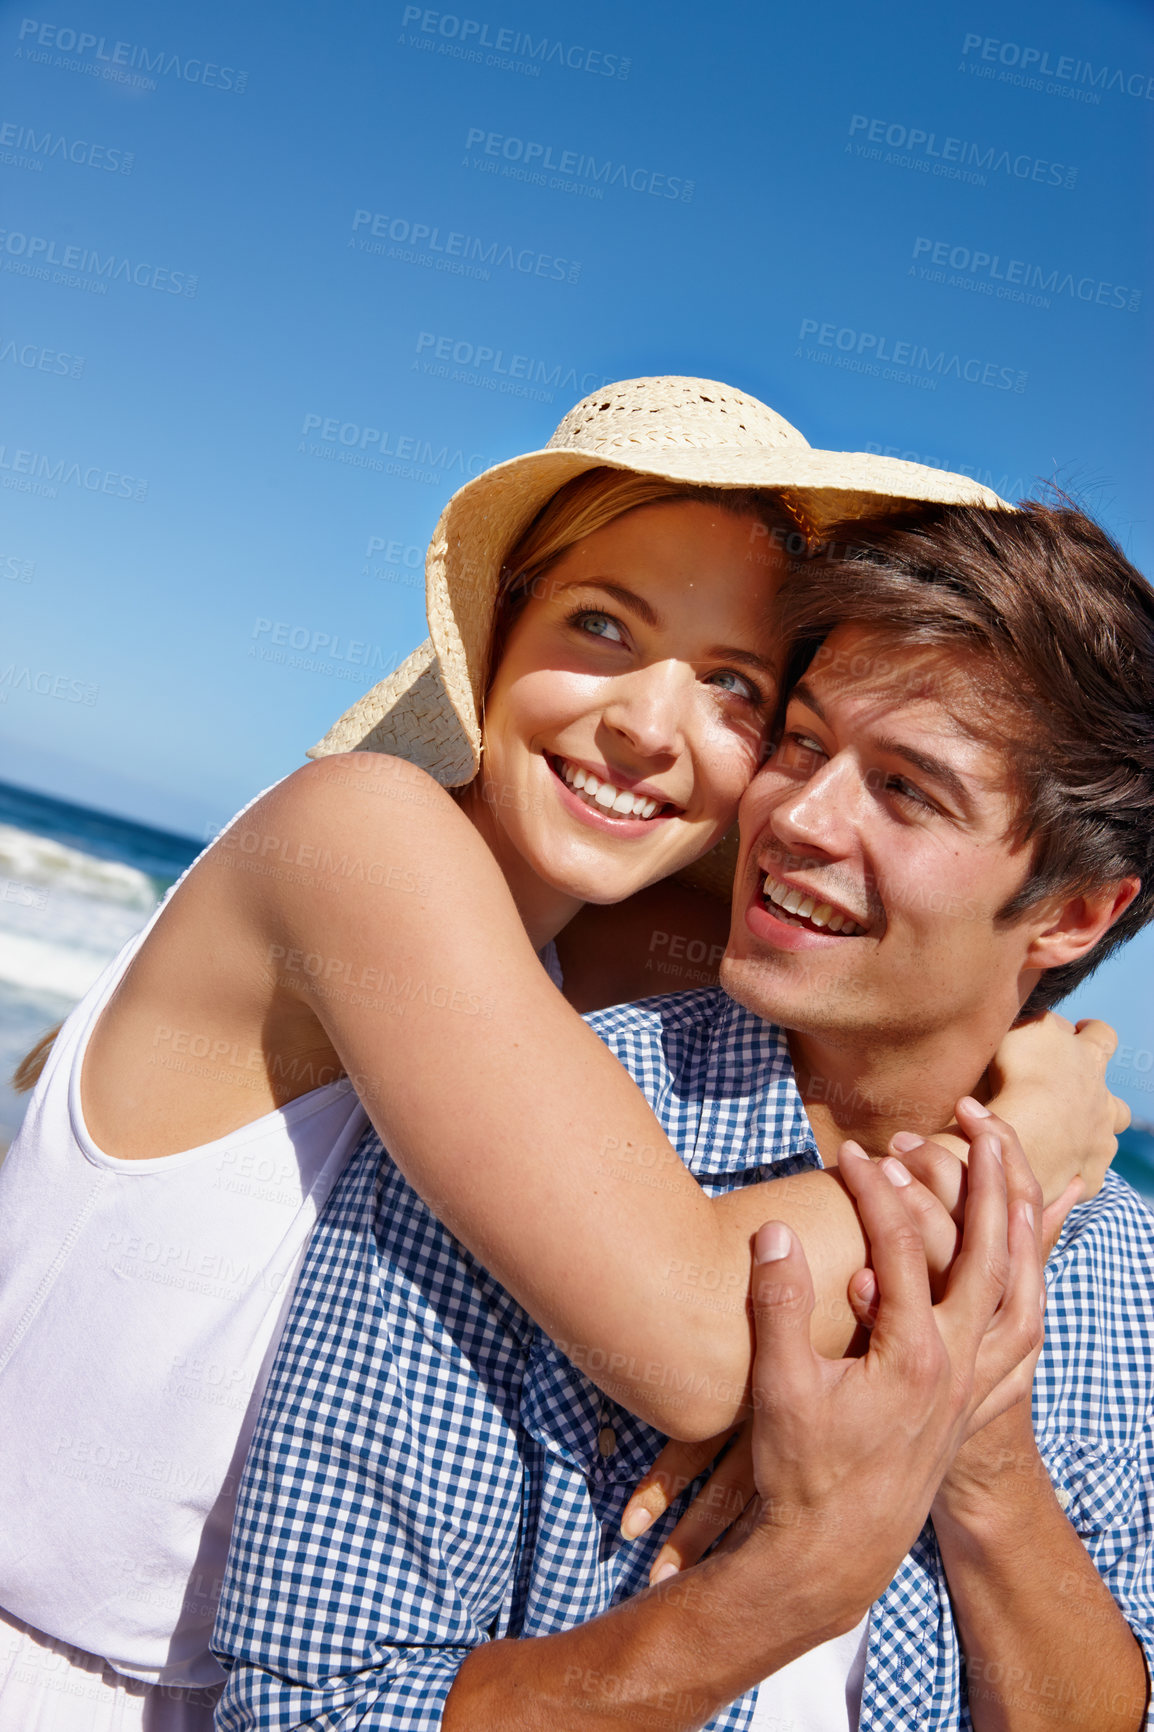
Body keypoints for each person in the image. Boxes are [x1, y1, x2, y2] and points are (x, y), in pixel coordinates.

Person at [3, 378, 1108, 1730]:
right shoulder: (363, 833)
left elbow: (920, 976)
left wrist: (1044, 1058)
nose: (649, 725)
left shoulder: (592, 945)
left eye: (734, 690)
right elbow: (702, 1339)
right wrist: (1010, 1158)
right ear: (497, 629)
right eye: (601, 626)